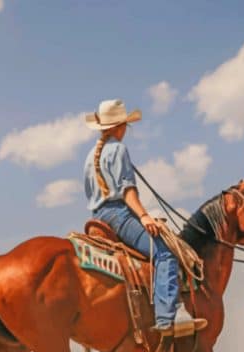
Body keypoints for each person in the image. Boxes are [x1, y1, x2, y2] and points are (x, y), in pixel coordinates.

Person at [84, 99, 207, 338]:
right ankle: (167, 318)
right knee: (165, 252)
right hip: (117, 214)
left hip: (97, 216)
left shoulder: (91, 156)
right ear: (121, 127)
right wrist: (144, 216)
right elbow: (128, 191)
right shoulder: (118, 149)